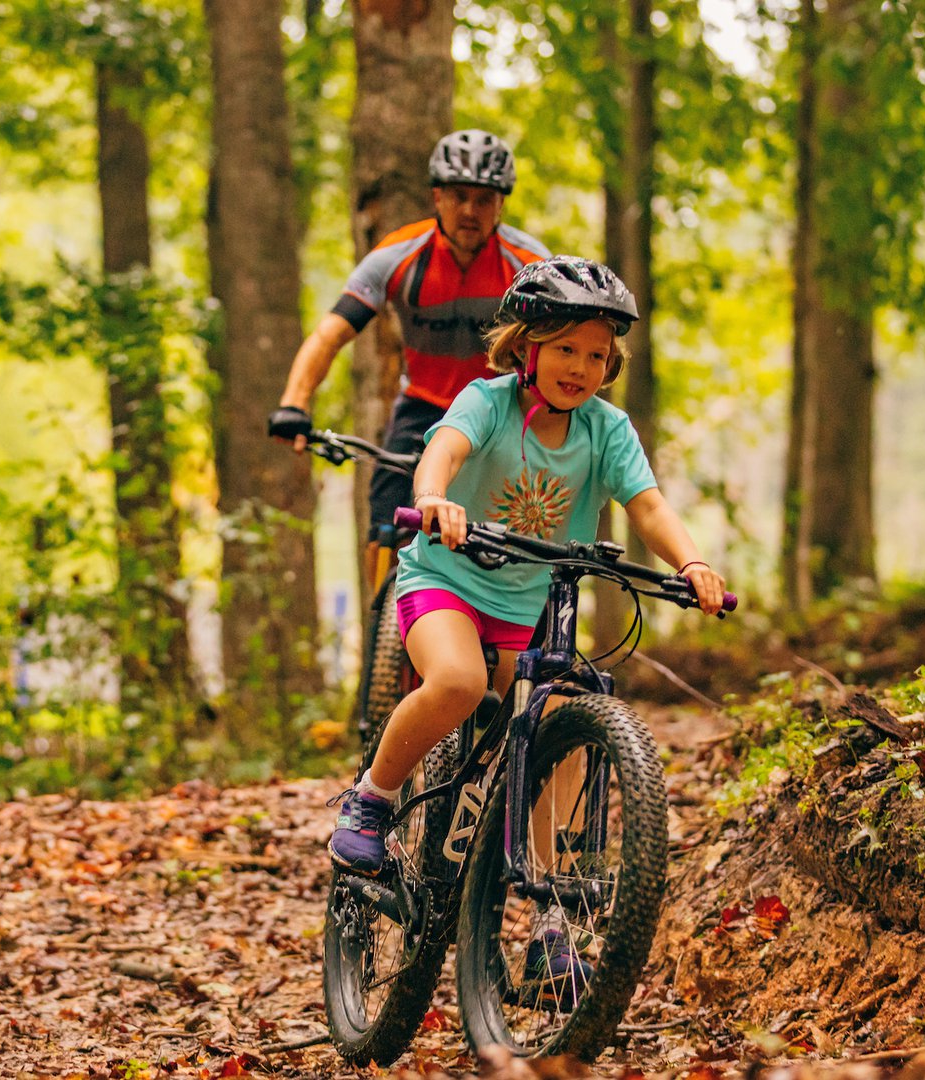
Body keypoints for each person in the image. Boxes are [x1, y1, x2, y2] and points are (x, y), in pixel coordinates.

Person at [325, 256, 729, 997]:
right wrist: (436, 499)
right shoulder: (489, 403)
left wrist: (693, 562)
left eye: (597, 355)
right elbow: (442, 451)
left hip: (521, 607)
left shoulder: (606, 431)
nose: (581, 366)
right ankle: (373, 800)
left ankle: (550, 916)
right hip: (445, 579)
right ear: (527, 348)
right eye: (566, 348)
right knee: (457, 680)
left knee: (564, 719)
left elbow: (647, 505)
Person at [266, 130, 553, 546]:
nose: (470, 210)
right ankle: (376, 609)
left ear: (501, 204)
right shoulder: (398, 255)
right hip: (422, 406)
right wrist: (295, 402)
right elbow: (330, 334)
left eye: (484, 199)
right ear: (437, 197)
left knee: (517, 531)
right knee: (385, 522)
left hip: (502, 409)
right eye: (458, 195)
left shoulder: (531, 266)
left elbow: (567, 348)